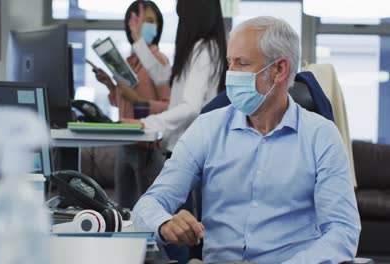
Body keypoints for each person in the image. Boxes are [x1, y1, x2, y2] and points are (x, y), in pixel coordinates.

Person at [133, 16, 361, 263]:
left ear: (279, 69)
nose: (230, 75)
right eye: (230, 63)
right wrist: (165, 223)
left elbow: (342, 231)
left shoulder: (322, 136)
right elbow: (148, 205)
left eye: (241, 63)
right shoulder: (208, 127)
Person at [90, 0, 171, 208]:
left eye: (151, 21)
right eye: (141, 21)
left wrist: (137, 99)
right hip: (125, 143)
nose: (146, 26)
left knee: (150, 210)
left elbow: (168, 107)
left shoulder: (159, 61)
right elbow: (124, 106)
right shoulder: (131, 61)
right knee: (122, 209)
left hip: (147, 147)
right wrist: (111, 86)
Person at [123, 0, 227, 156]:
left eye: (182, 16)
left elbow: (191, 107)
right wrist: (139, 42)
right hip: (185, 146)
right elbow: (162, 77)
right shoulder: (200, 48)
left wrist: (148, 123)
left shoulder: (203, 50)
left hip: (190, 149)